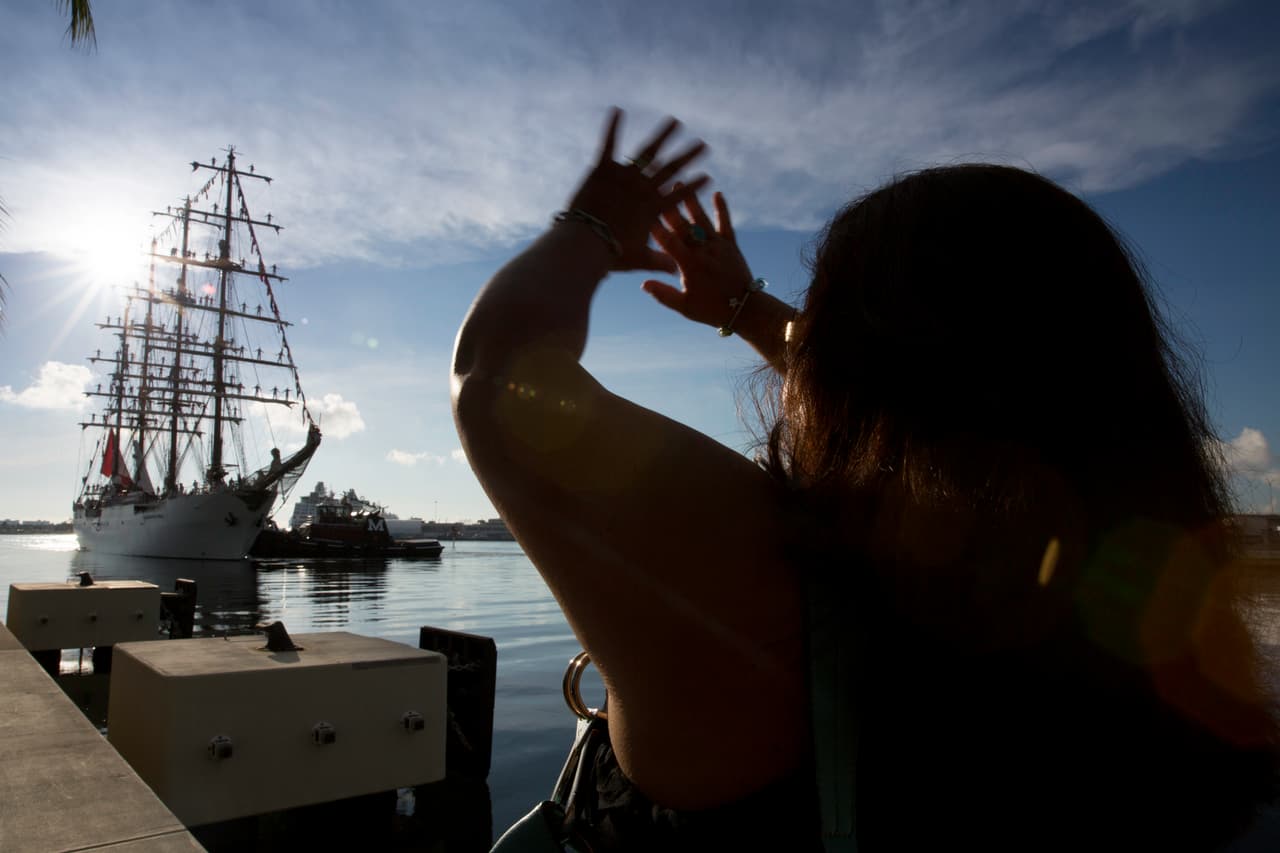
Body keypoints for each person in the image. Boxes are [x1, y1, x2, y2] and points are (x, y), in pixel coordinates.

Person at [453, 110, 1277, 850]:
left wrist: (591, 226)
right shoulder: (1162, 644)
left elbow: (495, 380)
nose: (800, 344)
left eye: (821, 318)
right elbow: (939, 410)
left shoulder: (762, 599)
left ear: (848, 369)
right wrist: (745, 306)